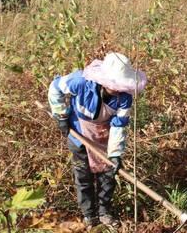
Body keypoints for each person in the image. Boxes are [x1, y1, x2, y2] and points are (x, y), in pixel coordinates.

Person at [47, 52, 146, 228]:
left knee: (108, 175)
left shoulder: (124, 98)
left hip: (104, 136)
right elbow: (55, 88)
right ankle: (89, 215)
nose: (116, 88)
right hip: (78, 134)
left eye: (120, 84)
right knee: (83, 176)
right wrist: (61, 115)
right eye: (113, 83)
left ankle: (104, 213)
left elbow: (119, 125)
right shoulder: (80, 81)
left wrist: (115, 154)